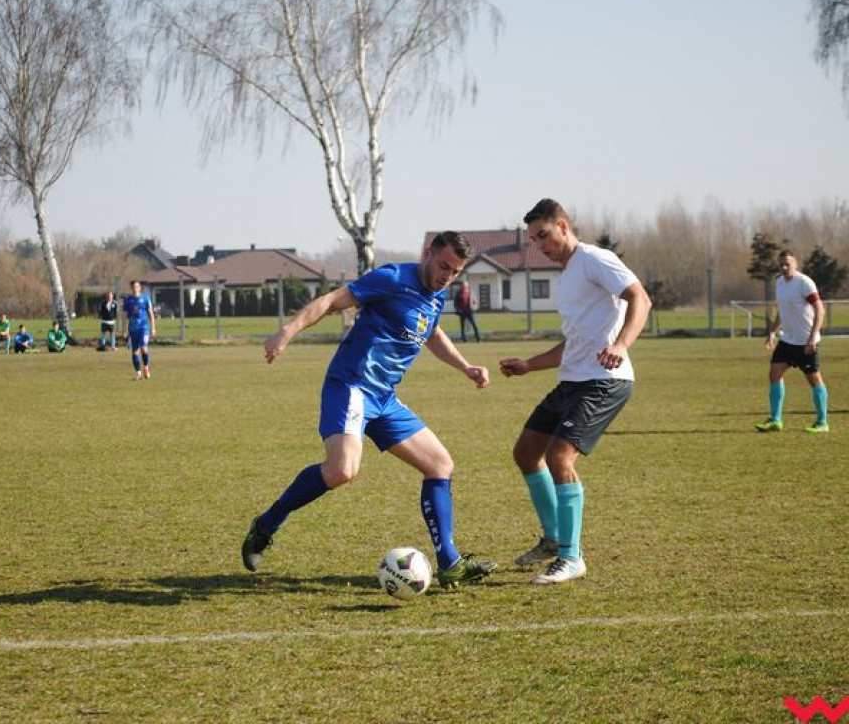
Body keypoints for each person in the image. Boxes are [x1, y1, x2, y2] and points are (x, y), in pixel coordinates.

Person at [242, 231, 498, 589]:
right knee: (342, 470)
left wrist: (465, 366)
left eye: (455, 272)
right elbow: (332, 301)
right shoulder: (393, 278)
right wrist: (288, 330)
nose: (447, 277)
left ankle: (450, 562)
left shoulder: (437, 296)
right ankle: (267, 524)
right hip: (351, 386)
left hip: (384, 399)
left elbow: (433, 334)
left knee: (440, 465)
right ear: (428, 253)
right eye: (443, 266)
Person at [499, 199, 651, 585]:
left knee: (559, 458)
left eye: (544, 235)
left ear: (563, 226)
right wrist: (530, 365)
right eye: (533, 239)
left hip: (604, 381)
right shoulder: (566, 278)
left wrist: (621, 345)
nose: (540, 245)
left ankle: (571, 557)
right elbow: (574, 343)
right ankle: (552, 540)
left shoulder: (595, 259)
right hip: (573, 380)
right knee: (526, 453)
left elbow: (640, 298)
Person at [755, 249, 830, 434]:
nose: (784, 267)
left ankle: (822, 422)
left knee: (814, 380)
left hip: (806, 342)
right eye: (781, 264)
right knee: (774, 374)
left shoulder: (804, 283)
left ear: (796, 264)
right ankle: (775, 420)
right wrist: (773, 331)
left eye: (787, 263)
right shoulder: (780, 283)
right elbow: (783, 310)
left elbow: (820, 310)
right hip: (787, 340)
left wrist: (813, 336)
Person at [122, 280, 155, 380]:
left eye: (136, 286)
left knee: (144, 349)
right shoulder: (128, 300)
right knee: (134, 352)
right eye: (133, 287)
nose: (135, 288)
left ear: (140, 288)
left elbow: (150, 313)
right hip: (132, 329)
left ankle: (146, 368)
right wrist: (124, 330)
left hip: (143, 328)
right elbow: (125, 315)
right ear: (131, 288)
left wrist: (153, 327)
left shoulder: (145, 299)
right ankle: (138, 373)